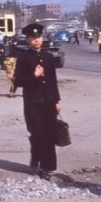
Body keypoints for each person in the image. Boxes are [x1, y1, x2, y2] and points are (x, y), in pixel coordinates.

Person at [13, 23, 61, 181]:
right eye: (33, 38)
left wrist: (56, 101)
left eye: (39, 37)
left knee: (49, 135)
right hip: (32, 103)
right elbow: (18, 81)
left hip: (48, 101)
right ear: (27, 39)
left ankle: (46, 167)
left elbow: (53, 81)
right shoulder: (24, 57)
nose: (37, 41)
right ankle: (35, 157)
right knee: (38, 134)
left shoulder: (48, 57)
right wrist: (34, 75)